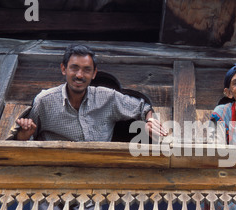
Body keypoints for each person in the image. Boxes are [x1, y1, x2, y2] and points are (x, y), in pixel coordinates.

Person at [15, 44, 168, 142]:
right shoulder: (44, 101)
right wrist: (25, 133)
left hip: (99, 174)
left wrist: (150, 121)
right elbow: (22, 139)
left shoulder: (108, 98)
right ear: (63, 69)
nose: (80, 75)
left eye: (87, 70)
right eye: (74, 68)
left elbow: (143, 107)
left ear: (94, 74)